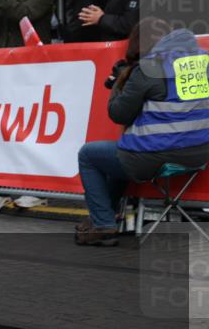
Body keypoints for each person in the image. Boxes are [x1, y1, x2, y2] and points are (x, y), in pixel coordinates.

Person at [76, 24, 209, 246]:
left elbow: (118, 114)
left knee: (89, 155)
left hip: (153, 157)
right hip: (200, 157)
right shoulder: (203, 62)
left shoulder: (149, 68)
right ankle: (106, 217)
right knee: (118, 153)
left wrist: (118, 82)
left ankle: (103, 224)